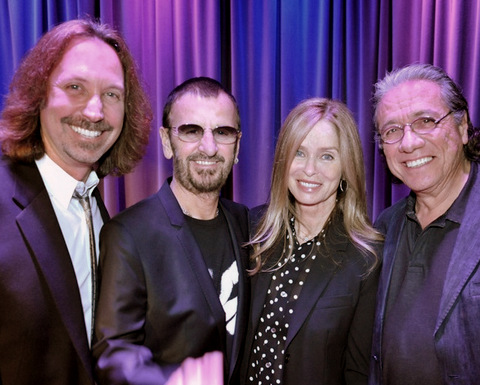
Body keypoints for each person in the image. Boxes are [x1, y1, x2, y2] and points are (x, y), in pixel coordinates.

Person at [0, 19, 152, 385]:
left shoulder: (94, 205)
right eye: (75, 87)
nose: (95, 112)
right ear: (39, 94)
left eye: (112, 95)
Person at [93, 77, 250, 384]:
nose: (209, 146)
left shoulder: (245, 222)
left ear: (238, 145)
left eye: (223, 132)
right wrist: (174, 380)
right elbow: (113, 354)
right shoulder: (128, 234)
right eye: (191, 131)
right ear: (167, 142)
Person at [242, 98, 382, 384]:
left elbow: (358, 371)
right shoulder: (253, 230)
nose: (309, 170)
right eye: (300, 153)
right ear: (283, 160)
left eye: (327, 156)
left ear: (347, 167)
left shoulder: (366, 257)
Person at [370, 63, 480, 384]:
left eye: (426, 121)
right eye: (392, 130)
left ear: (462, 127)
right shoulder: (386, 226)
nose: (409, 143)